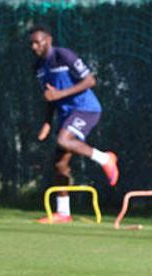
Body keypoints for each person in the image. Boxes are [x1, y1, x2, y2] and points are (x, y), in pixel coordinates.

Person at [28, 25, 119, 224]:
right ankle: (63, 213)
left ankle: (105, 159)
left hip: (86, 109)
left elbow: (90, 81)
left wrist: (59, 95)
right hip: (65, 115)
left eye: (38, 42)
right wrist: (46, 122)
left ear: (48, 40)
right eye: (31, 43)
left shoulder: (63, 56)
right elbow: (50, 95)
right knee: (60, 165)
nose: (34, 46)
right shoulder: (38, 67)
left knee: (64, 140)